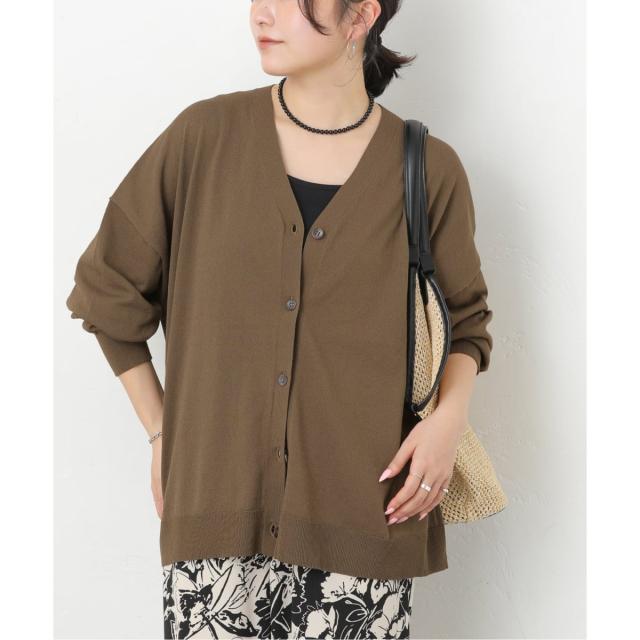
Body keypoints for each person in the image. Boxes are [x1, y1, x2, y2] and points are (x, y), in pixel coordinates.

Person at [66, 1, 494, 638]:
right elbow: (107, 291)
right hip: (216, 529)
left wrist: (447, 423)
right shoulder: (203, 139)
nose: (262, 14)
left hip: (363, 527)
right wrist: (161, 433)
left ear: (361, 16)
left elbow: (467, 321)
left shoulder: (428, 170)